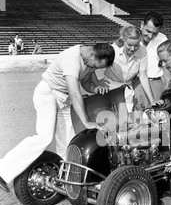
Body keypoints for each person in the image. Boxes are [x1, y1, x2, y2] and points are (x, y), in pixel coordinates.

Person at [0, 43, 115, 193]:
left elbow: (86, 81)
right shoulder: (71, 59)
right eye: (95, 66)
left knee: (68, 141)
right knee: (44, 137)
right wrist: (86, 122)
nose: (94, 69)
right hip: (47, 94)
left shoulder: (90, 59)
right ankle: (3, 170)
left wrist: (95, 87)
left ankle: (65, 180)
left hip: (63, 99)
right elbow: (75, 92)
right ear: (93, 55)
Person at [82, 25, 156, 117]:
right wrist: (97, 82)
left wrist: (152, 100)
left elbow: (143, 76)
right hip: (110, 88)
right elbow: (92, 67)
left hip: (127, 89)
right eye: (129, 45)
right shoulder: (113, 50)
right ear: (124, 40)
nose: (133, 49)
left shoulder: (143, 51)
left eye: (136, 45)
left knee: (126, 119)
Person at [133, 12, 168, 108]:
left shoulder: (163, 39)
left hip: (156, 84)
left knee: (157, 118)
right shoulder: (130, 39)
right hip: (136, 84)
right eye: (148, 31)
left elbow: (166, 65)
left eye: (155, 33)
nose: (150, 36)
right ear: (141, 25)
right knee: (137, 119)